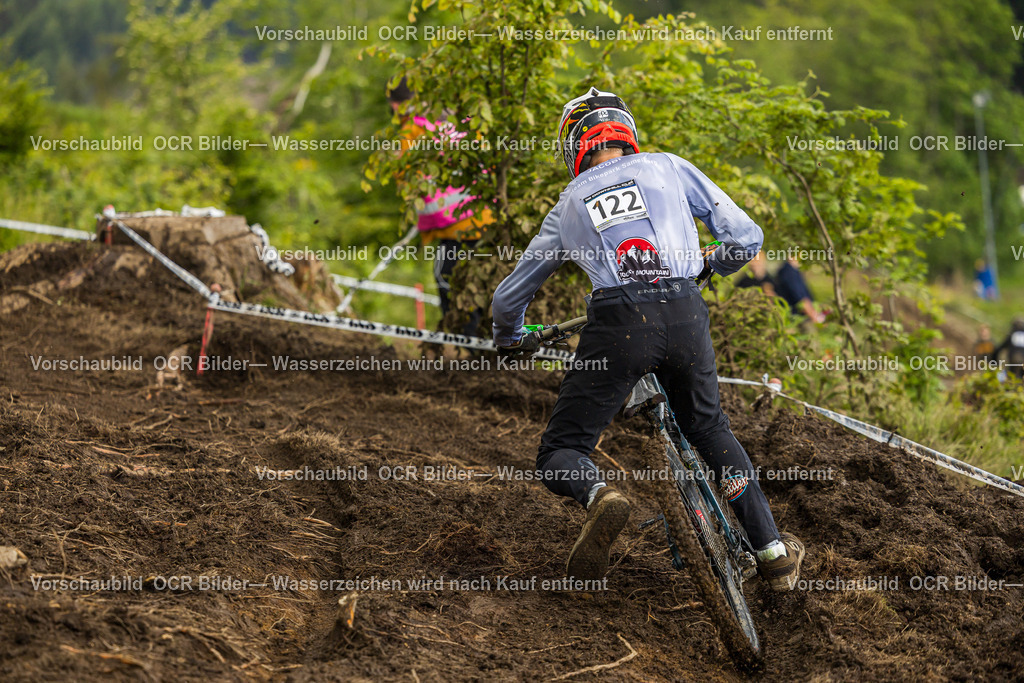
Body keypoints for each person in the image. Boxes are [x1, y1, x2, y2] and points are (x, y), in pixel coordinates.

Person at [490, 87, 805, 590]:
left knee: (561, 450)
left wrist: (510, 337)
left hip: (618, 322)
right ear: (627, 133)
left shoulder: (568, 203)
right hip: (684, 310)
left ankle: (600, 496)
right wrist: (711, 266)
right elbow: (747, 238)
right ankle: (773, 553)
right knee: (709, 428)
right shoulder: (668, 166)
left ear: (574, 147)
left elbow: (509, 299)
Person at [387, 77, 494, 335]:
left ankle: (470, 348)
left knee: (449, 285)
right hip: (488, 220)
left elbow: (402, 175)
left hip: (455, 228)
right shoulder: (457, 120)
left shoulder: (412, 130)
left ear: (395, 104)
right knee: (485, 287)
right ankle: (492, 345)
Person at [774, 256, 825, 323]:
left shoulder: (793, 270)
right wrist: (815, 317)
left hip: (799, 316)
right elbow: (801, 300)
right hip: (797, 319)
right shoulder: (789, 272)